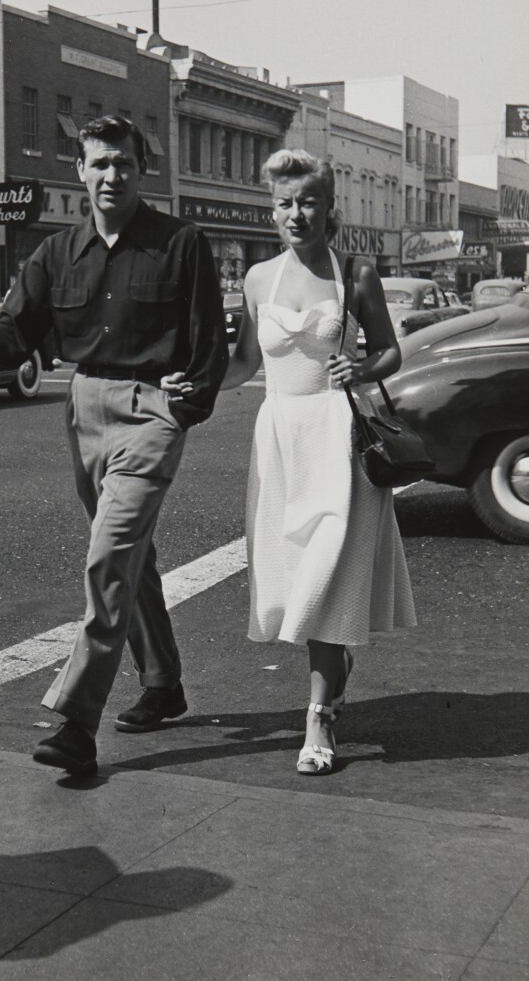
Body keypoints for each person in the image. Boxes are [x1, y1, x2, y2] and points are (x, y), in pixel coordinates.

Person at [0, 115, 228, 776]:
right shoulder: (57, 253)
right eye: (98, 164)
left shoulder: (182, 243)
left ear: (140, 170)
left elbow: (210, 345)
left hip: (152, 410)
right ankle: (163, 682)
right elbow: (14, 325)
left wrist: (189, 398)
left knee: (109, 559)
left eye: (122, 163)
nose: (110, 175)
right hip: (84, 407)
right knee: (130, 558)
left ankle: (76, 721)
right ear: (80, 172)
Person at [216, 148, 415, 775]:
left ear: (329, 207)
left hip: (337, 438)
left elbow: (390, 353)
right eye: (283, 203)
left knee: (328, 577)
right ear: (270, 209)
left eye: (307, 201)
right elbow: (247, 362)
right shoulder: (256, 279)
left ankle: (318, 718)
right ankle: (334, 677)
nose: (295, 214)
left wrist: (360, 365)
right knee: (295, 575)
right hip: (279, 440)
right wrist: (194, 386)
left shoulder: (354, 274)